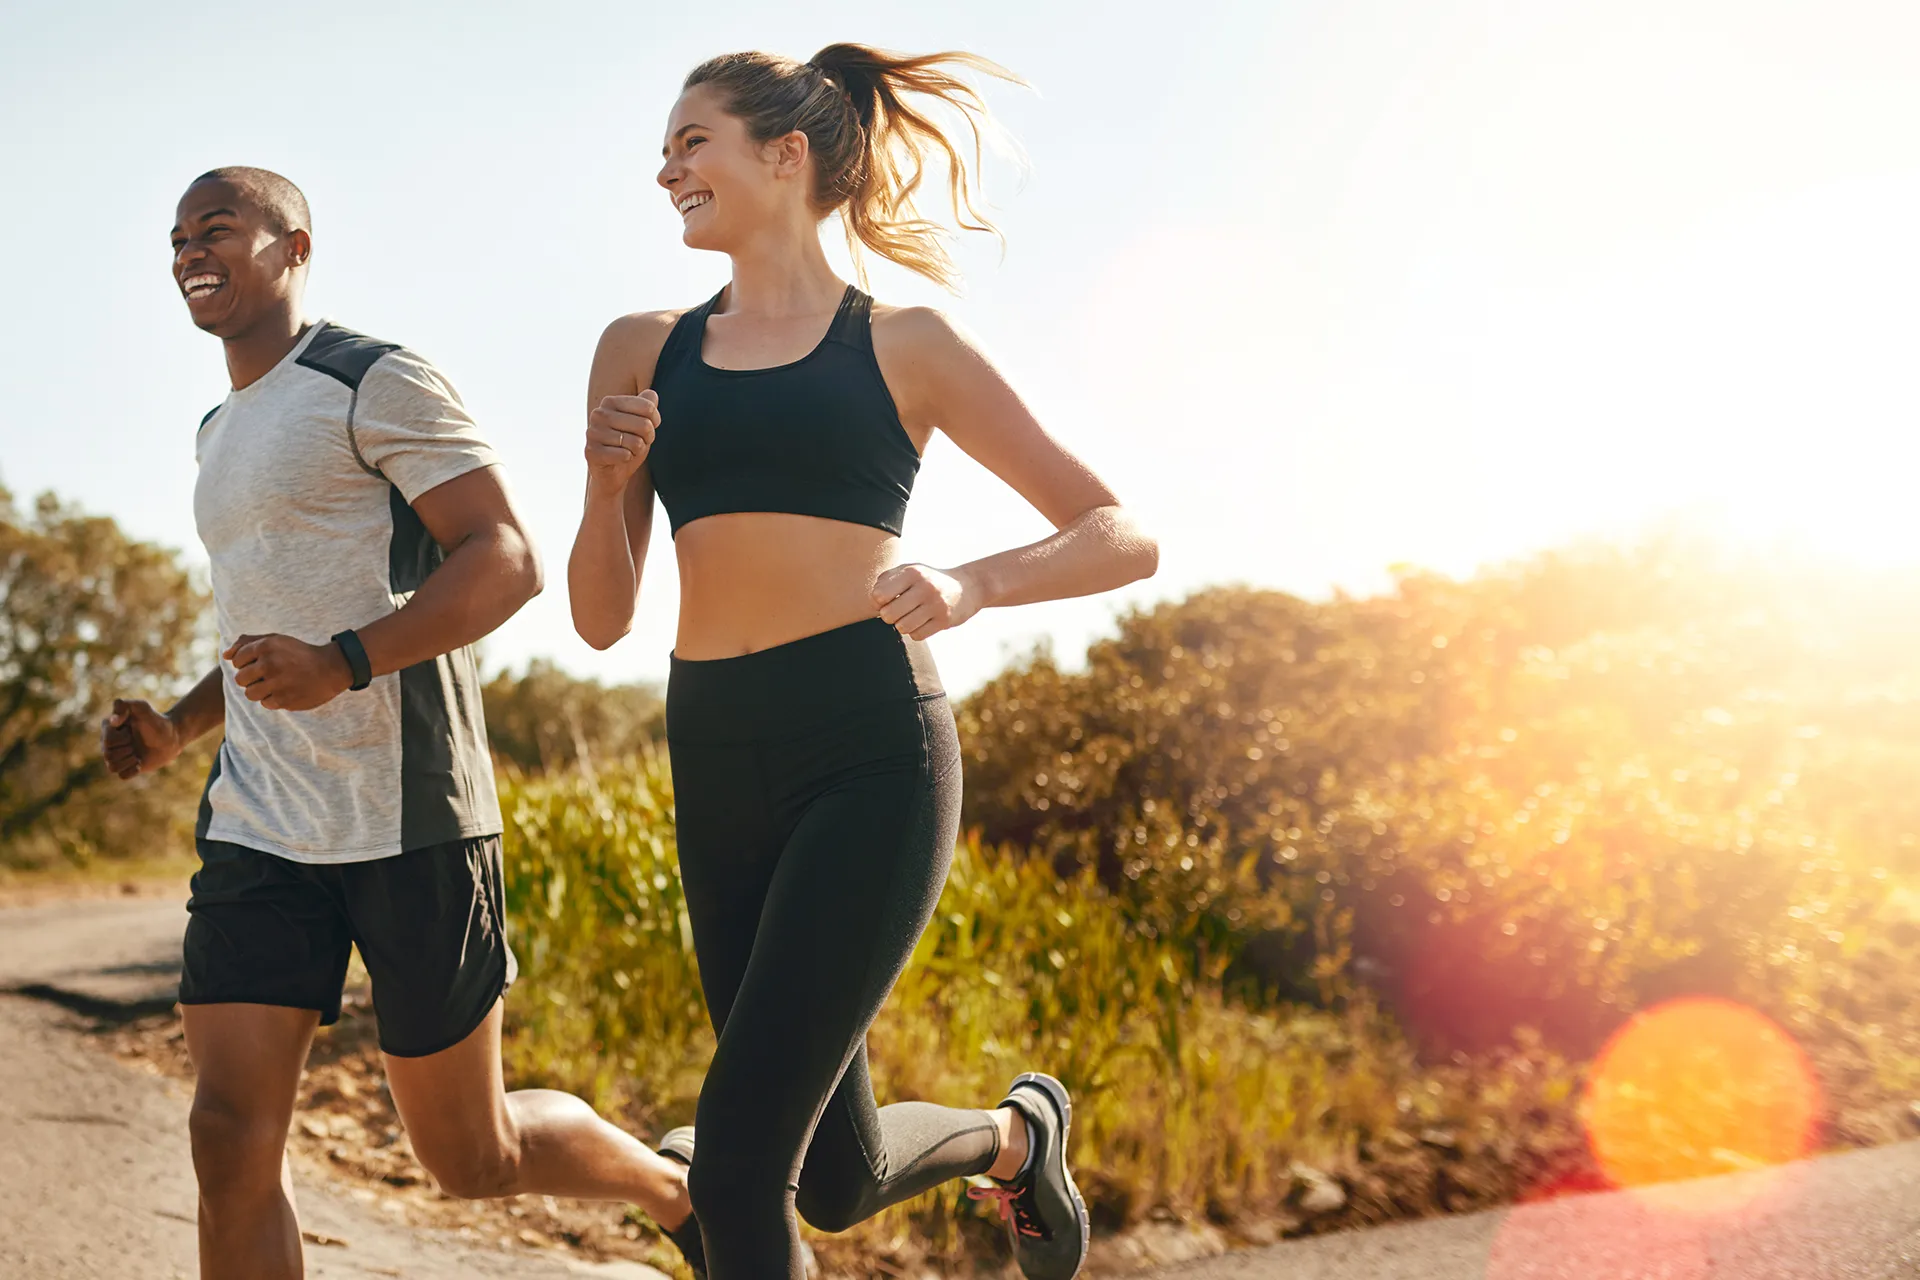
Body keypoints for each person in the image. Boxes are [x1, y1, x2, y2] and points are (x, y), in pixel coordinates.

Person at [568, 44, 1159, 1280]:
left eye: (693, 141)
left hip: (869, 747)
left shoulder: (905, 344)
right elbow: (600, 618)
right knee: (831, 1176)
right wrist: (603, 477)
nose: (666, 167)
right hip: (715, 746)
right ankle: (1018, 1135)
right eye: (667, 146)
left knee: (731, 1164)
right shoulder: (641, 347)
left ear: (784, 156)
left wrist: (972, 582)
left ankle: (1002, 1138)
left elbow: (1120, 532)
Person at [101, 167, 702, 1280]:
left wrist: (345, 662)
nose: (189, 248)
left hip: (411, 812)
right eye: (177, 236)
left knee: (471, 1156)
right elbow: (257, 620)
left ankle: (676, 1188)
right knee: (229, 1136)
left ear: (295, 245)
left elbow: (506, 557)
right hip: (260, 821)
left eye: (217, 229)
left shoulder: (371, 376)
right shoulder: (215, 429)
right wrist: (183, 727)